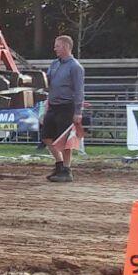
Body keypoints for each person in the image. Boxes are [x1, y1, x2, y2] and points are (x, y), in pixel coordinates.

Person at [42, 34, 84, 183]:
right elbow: (47, 82)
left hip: (67, 107)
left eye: (57, 46)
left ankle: (67, 169)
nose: (54, 48)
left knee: (65, 140)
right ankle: (59, 164)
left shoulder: (75, 67)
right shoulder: (54, 64)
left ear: (66, 47)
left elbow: (79, 90)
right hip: (53, 105)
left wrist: (78, 112)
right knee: (46, 136)